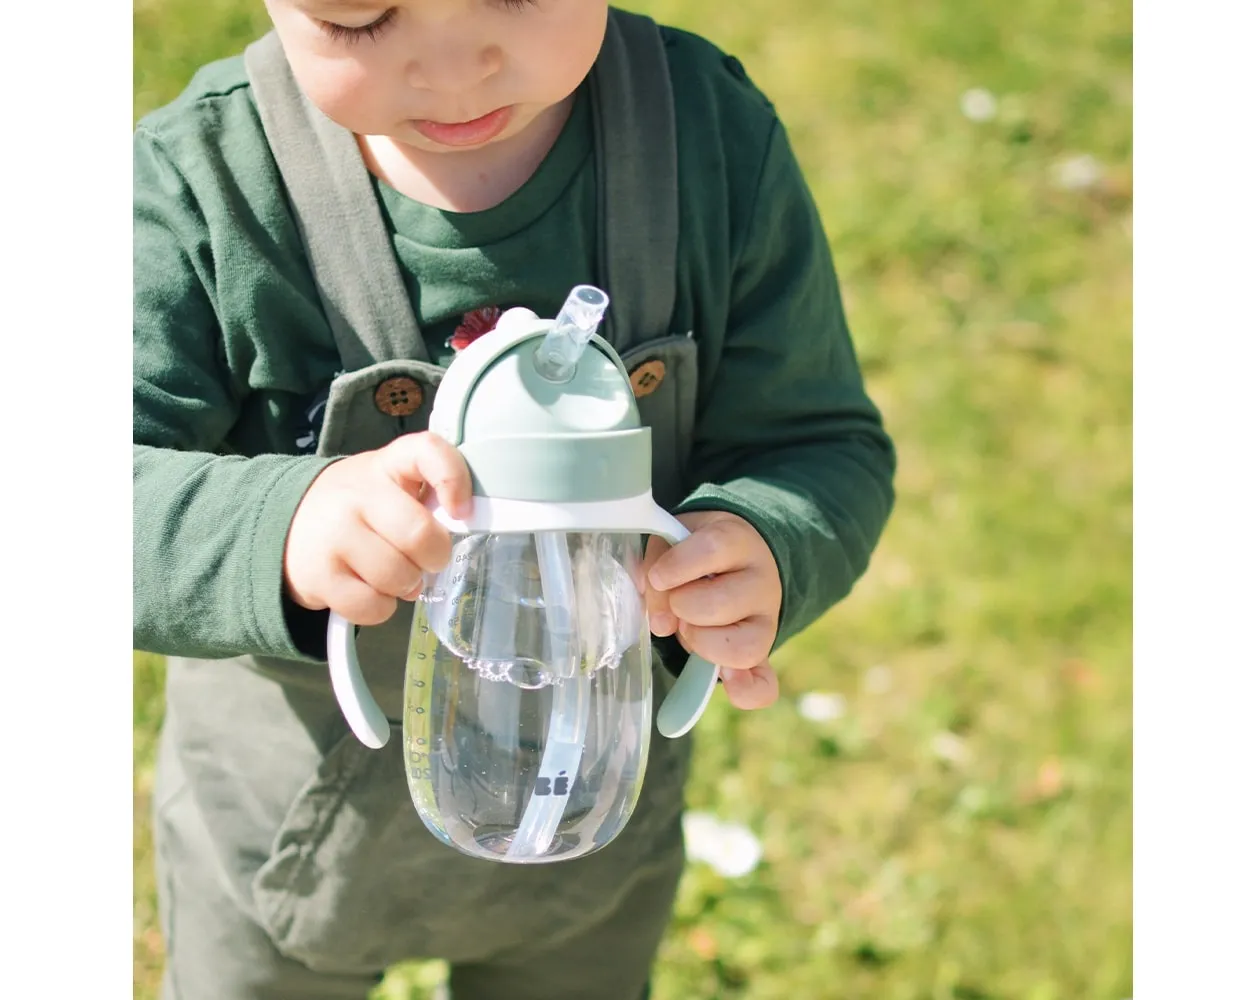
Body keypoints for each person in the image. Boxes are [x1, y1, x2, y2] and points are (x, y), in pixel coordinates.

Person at [133, 1, 896, 998]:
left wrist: (768, 540)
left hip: (590, 824)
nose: (455, 71)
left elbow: (817, 442)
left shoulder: (705, 143)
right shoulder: (205, 185)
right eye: (361, 19)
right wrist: (287, 523)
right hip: (286, 842)